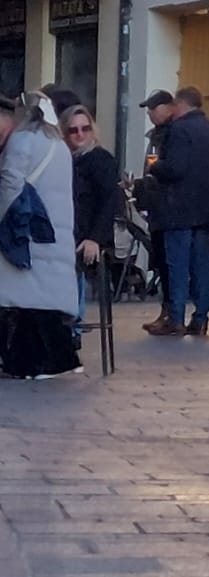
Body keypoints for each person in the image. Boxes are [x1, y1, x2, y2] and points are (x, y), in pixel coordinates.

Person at [0, 93, 79, 378]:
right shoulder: (57, 145)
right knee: (37, 302)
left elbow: (10, 185)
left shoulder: (21, 142)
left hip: (29, 232)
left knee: (25, 298)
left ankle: (42, 361)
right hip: (52, 233)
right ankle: (33, 361)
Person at [148, 86, 209, 340]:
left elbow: (175, 168)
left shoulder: (178, 130)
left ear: (180, 105)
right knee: (201, 265)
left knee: (178, 266)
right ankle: (201, 317)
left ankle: (176, 318)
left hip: (178, 208)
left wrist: (155, 166)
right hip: (207, 209)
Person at [62, 106, 119, 344]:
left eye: (85, 128)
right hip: (69, 232)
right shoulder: (66, 159)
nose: (80, 134)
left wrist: (95, 238)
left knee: (75, 276)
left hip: (87, 235)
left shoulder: (100, 159)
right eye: (73, 130)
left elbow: (109, 201)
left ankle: (72, 331)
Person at [133, 90, 178, 333]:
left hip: (167, 206)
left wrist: (153, 168)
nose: (150, 114)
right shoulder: (155, 136)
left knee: (170, 262)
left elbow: (164, 168)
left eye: (154, 108)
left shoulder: (172, 134)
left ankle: (172, 312)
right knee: (161, 260)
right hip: (156, 205)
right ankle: (168, 311)